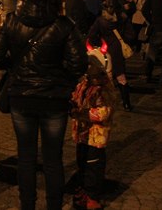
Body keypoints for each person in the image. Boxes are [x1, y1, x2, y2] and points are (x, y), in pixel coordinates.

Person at [0, 0, 87, 210]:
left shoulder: (12, 20)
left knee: (26, 157)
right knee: (53, 160)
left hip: (22, 96)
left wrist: (15, 67)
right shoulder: (64, 24)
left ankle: (27, 205)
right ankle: (53, 205)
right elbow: (78, 65)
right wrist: (59, 77)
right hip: (54, 99)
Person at [69, 53, 116, 210]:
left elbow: (105, 112)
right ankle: (82, 192)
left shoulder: (104, 89)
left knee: (93, 167)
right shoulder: (84, 83)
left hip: (96, 136)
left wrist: (83, 114)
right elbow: (76, 96)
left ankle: (92, 196)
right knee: (82, 163)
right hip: (82, 133)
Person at [88, 0, 135, 111]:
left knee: (104, 78)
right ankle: (126, 103)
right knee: (121, 77)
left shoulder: (100, 20)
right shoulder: (123, 19)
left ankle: (103, 103)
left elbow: (92, 36)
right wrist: (122, 41)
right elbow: (131, 35)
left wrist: (100, 43)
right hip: (118, 51)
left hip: (105, 51)